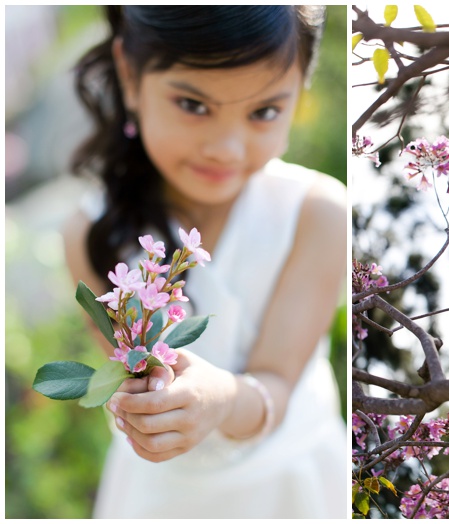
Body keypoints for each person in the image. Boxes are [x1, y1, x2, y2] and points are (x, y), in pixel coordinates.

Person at [62, 6, 347, 518]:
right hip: (162, 499)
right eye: (193, 104)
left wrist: (220, 398)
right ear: (130, 75)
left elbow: (276, 386)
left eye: (264, 112)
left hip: (291, 492)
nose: (226, 147)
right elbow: (126, 375)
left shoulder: (315, 213)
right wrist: (143, 404)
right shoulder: (93, 235)